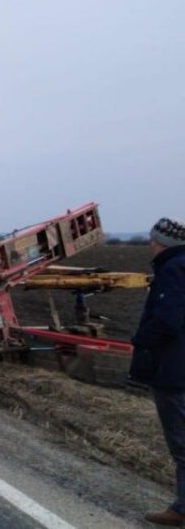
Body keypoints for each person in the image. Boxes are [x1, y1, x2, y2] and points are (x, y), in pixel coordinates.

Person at [129, 217, 185, 526]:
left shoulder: (173, 270)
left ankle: (182, 509)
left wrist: (141, 341)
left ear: (162, 242)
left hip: (173, 368)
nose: (150, 244)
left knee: (181, 441)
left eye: (153, 239)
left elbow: (166, 321)